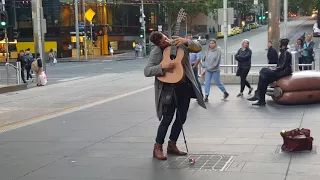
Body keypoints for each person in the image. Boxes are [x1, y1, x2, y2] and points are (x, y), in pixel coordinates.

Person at [144, 31, 206, 161]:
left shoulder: (179, 43)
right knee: (167, 118)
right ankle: (158, 147)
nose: (167, 42)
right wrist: (162, 66)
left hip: (184, 87)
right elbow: (147, 71)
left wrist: (187, 41)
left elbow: (199, 47)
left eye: (166, 39)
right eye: (163, 42)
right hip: (168, 89)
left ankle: (172, 144)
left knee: (181, 117)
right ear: (158, 45)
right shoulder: (156, 52)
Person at [248, 37, 292, 106]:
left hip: (283, 72)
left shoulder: (286, 53)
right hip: (280, 71)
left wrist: (273, 69)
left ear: (282, 44)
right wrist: (273, 68)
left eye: (279, 43)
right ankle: (261, 100)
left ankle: (258, 96)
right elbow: (280, 65)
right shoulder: (283, 52)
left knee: (263, 71)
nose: (279, 44)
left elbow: (283, 66)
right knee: (263, 79)